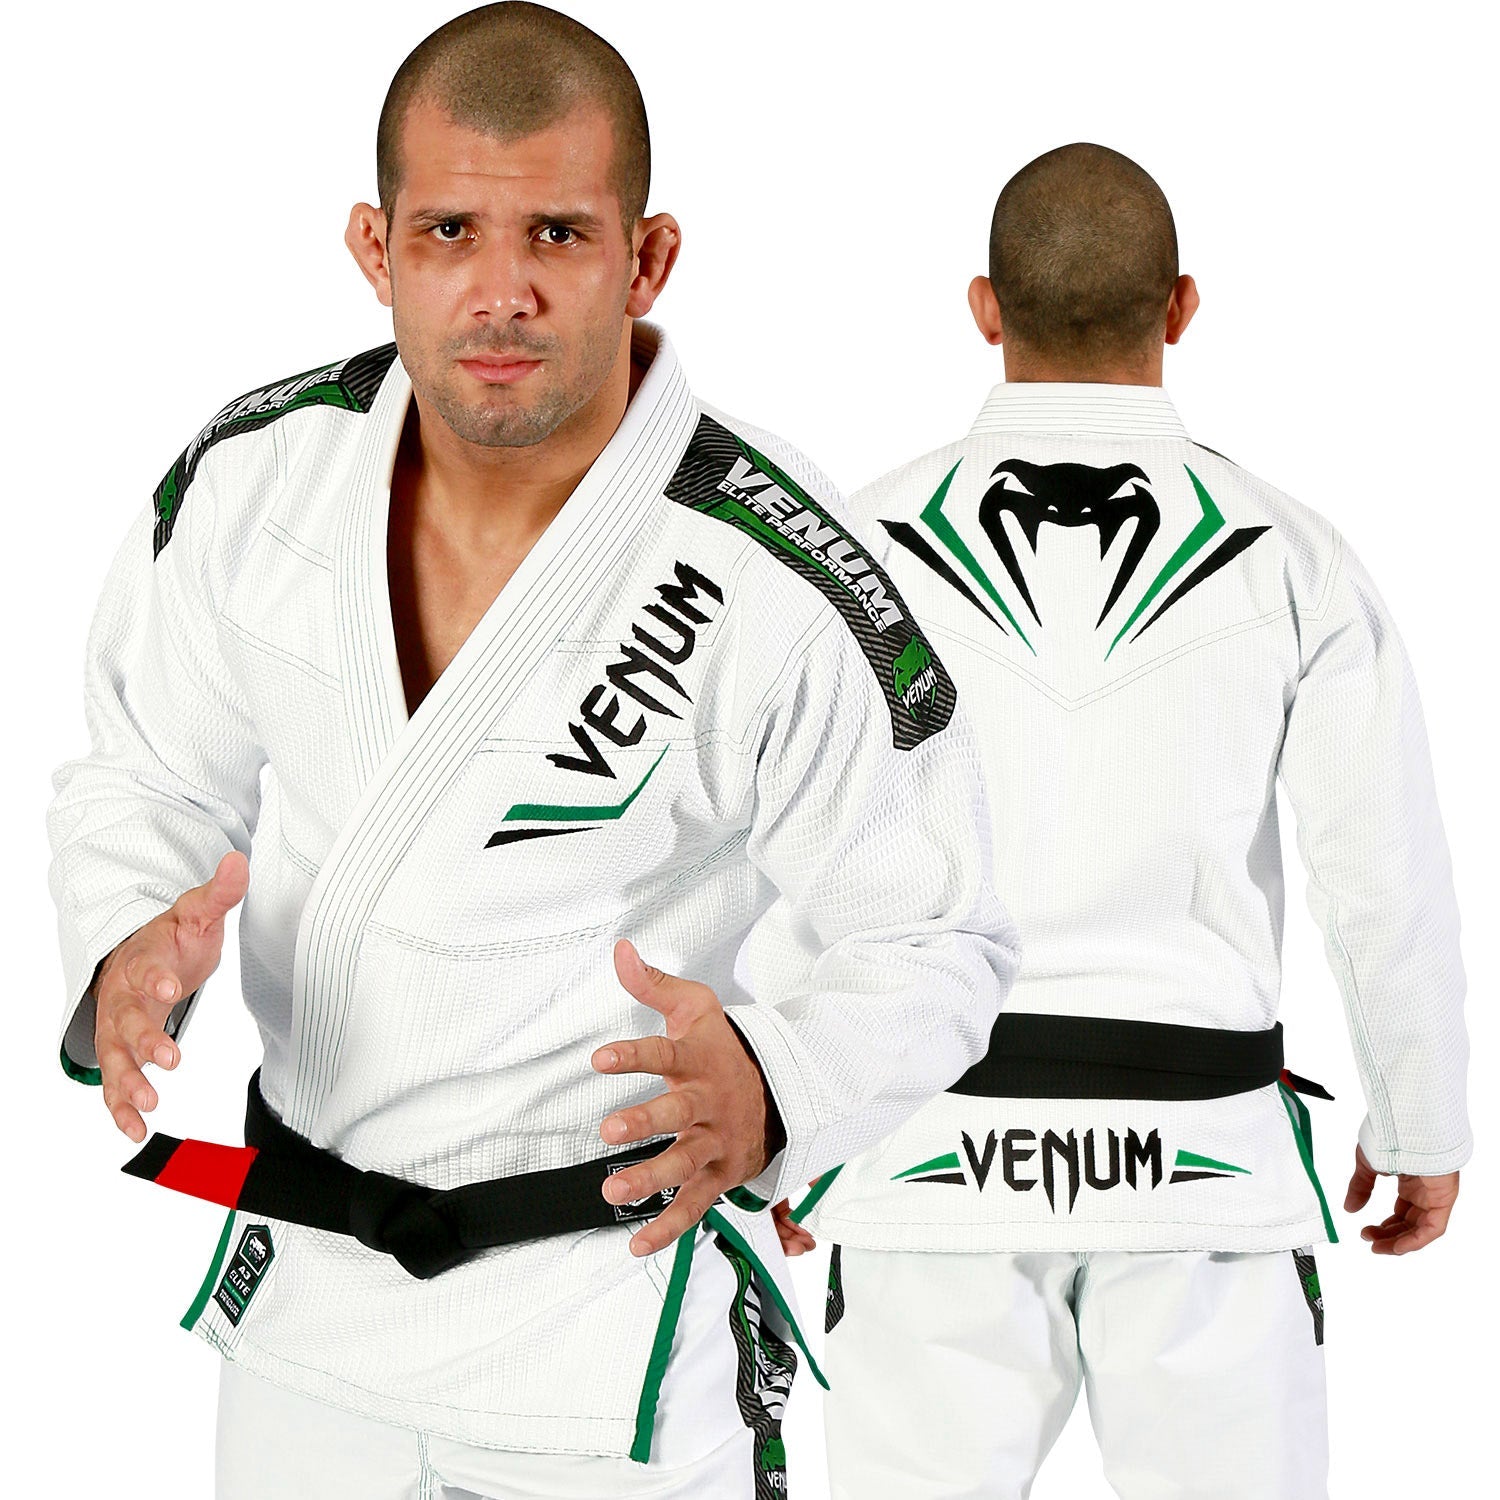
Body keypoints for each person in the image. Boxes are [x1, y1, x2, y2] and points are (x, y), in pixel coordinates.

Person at [45, 6, 1018, 1496]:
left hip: (605, 1321)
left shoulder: (778, 572)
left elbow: (939, 934)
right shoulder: (254, 483)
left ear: (648, 258)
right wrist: (129, 936)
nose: (501, 292)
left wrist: (778, 1084)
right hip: (312, 1306)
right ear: (376, 248)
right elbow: (146, 770)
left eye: (558, 233)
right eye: (450, 232)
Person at [780, 143, 1470, 1500]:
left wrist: (782, 1131)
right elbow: (1379, 874)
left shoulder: (855, 547)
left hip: (930, 1165)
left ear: (984, 308)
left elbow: (779, 846)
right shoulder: (1293, 558)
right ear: (1183, 307)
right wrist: (1421, 1126)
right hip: (1206, 1176)